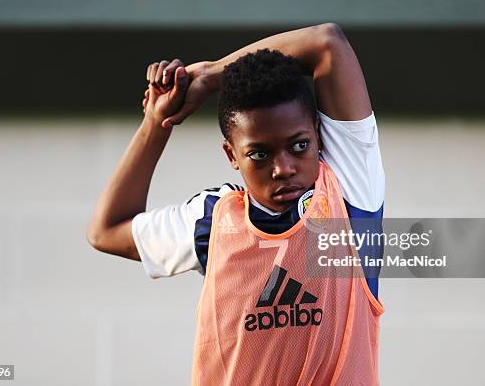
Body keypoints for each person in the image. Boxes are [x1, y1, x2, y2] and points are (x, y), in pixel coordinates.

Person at [87, 23, 385, 385]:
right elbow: (106, 230)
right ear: (232, 154)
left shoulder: (349, 195)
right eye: (259, 153)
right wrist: (156, 122)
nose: (283, 168)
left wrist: (213, 74)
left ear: (319, 137)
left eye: (299, 146)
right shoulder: (214, 220)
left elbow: (327, 43)